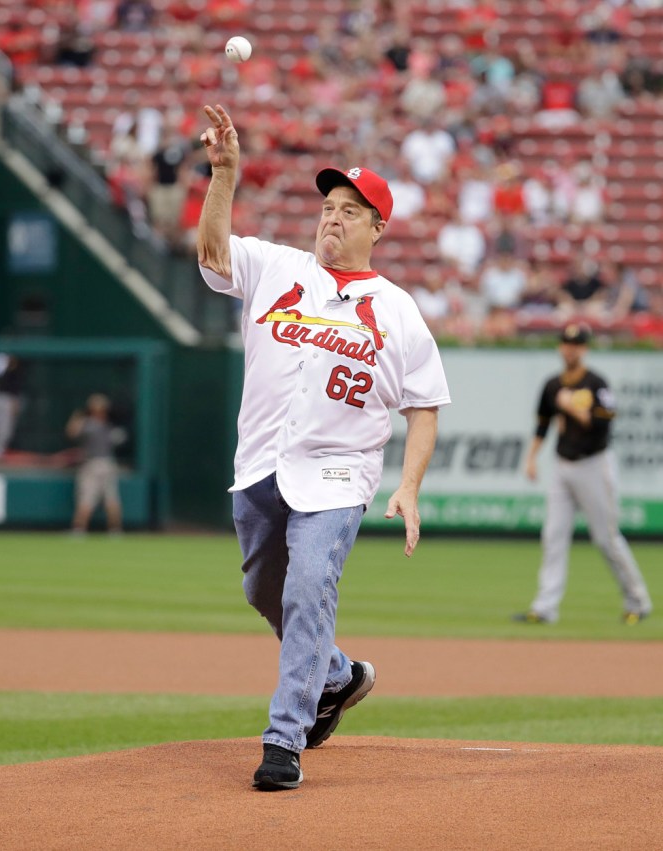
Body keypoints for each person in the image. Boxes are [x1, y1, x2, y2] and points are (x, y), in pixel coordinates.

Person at [197, 104, 451, 791]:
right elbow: (215, 253)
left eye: (351, 208)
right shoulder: (276, 267)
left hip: (338, 477)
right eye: (329, 204)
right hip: (260, 466)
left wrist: (409, 484)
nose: (333, 216)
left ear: (377, 227)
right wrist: (224, 177)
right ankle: (338, 675)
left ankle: (285, 740)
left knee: (310, 586)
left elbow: (424, 406)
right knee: (265, 590)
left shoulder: (397, 310)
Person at [514, 323, 652, 626]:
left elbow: (604, 424)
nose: (570, 348)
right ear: (560, 347)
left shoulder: (596, 383)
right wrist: (532, 458)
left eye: (576, 344)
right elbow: (543, 424)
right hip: (563, 466)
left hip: (594, 464)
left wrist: (573, 408)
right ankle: (545, 608)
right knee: (553, 536)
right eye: (566, 343)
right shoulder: (552, 385)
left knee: (606, 538)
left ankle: (638, 601)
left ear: (584, 349)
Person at [66, 394, 126, 534]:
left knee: (87, 497)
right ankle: (115, 530)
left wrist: (77, 416)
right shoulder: (109, 426)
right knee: (111, 497)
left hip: (93, 464)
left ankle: (79, 529)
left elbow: (71, 432)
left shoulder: (90, 425)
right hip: (108, 463)